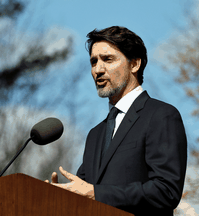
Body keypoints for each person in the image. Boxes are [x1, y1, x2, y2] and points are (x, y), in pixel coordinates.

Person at [45, 26, 187, 216]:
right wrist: (60, 196)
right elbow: (84, 193)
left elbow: (166, 191)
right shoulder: (95, 134)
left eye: (108, 59)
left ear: (135, 64)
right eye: (93, 62)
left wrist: (96, 193)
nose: (98, 70)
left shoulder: (161, 115)